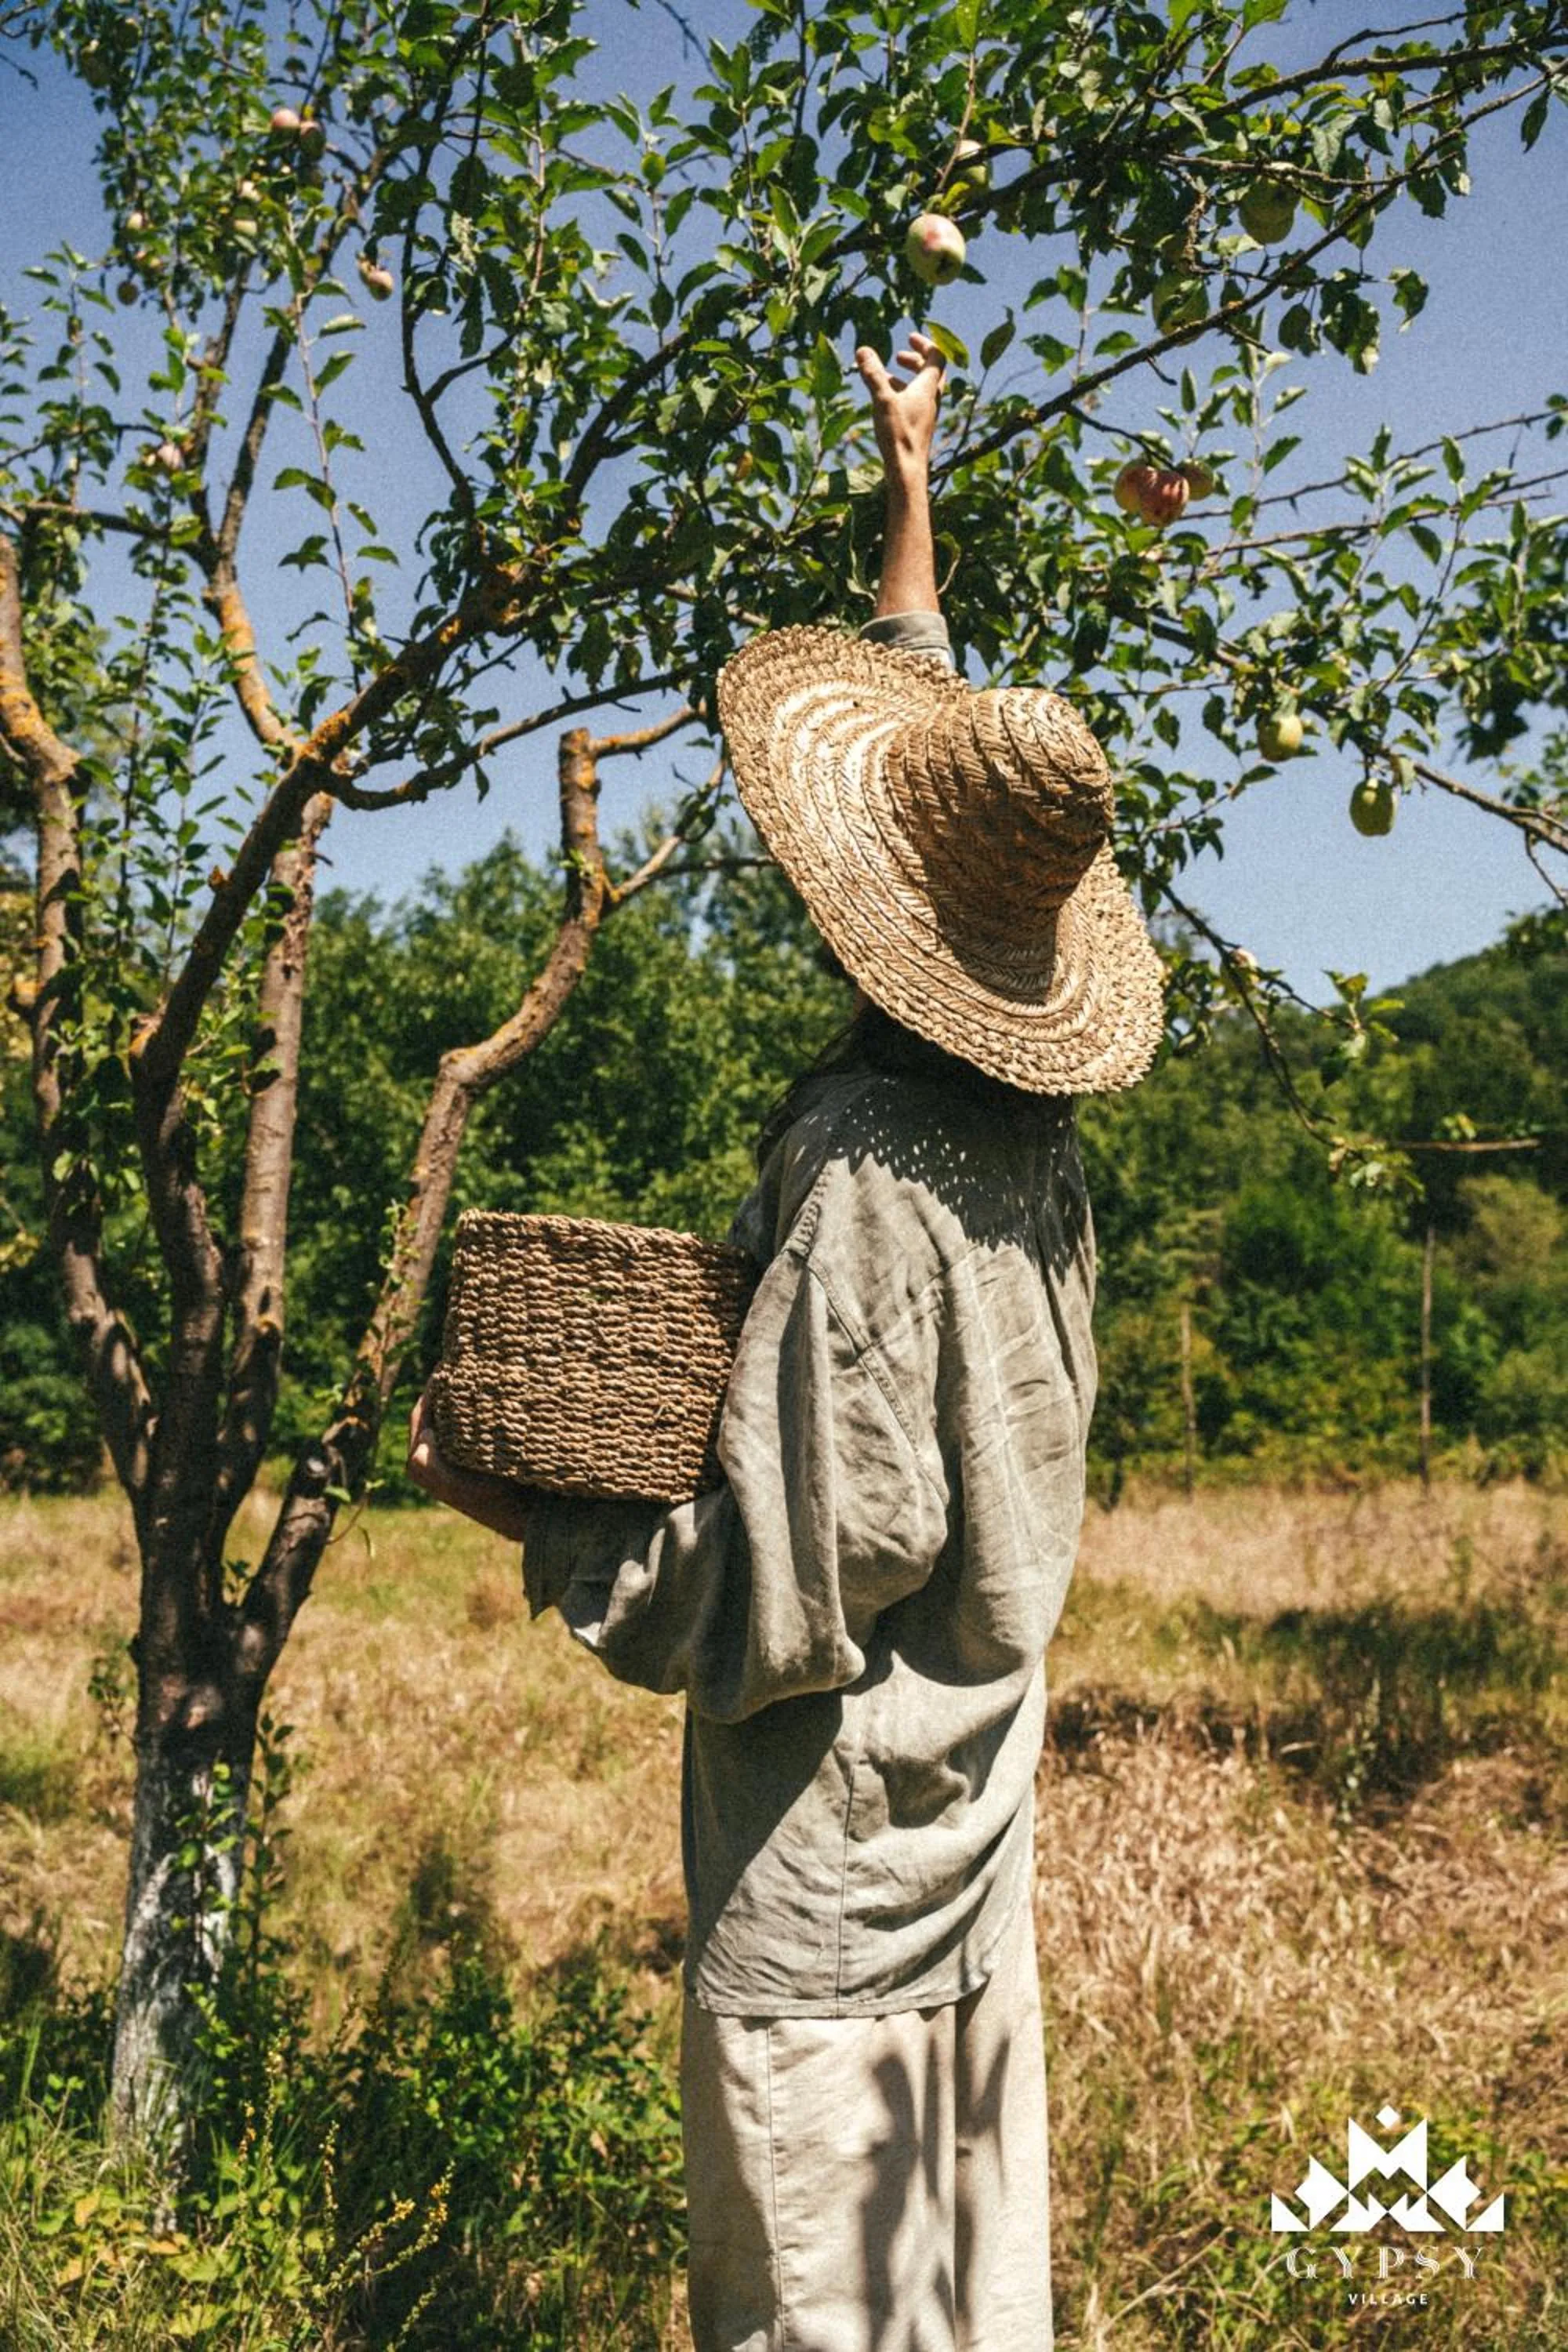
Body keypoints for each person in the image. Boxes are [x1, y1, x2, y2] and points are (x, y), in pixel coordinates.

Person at [407, 330, 1164, 2351]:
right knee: (967, 2304)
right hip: (969, 1866)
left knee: (820, 2315)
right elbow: (962, 787)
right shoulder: (1037, 1146)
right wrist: (910, 494)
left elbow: (781, 1595)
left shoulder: (859, 1177)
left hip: (832, 1903)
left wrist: (524, 1504)